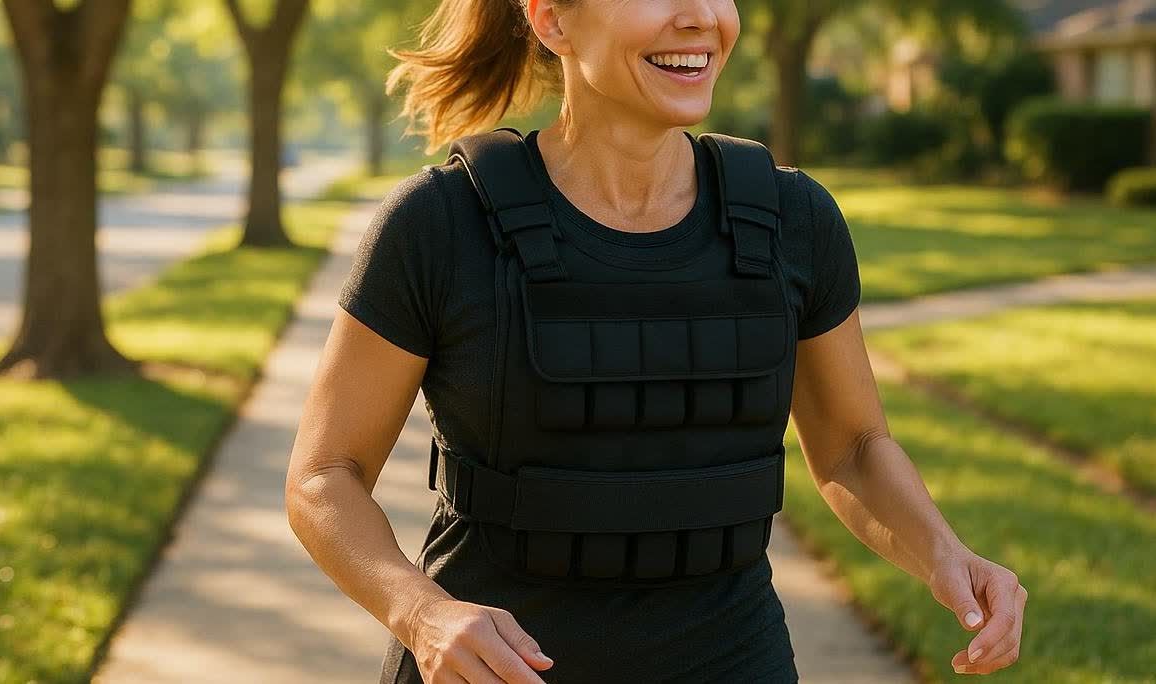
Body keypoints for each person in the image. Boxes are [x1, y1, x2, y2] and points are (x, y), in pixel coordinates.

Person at [284, 0, 1028, 682]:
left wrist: (946, 556)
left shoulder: (793, 219)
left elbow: (853, 448)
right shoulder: (440, 224)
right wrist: (421, 612)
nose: (702, 16)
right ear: (550, 19)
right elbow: (324, 474)